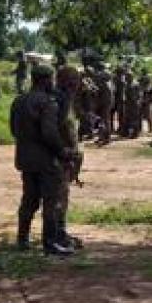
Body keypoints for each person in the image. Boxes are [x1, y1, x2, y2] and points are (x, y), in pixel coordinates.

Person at [9, 65, 74, 256]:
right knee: (51, 201)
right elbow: (50, 133)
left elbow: (14, 130)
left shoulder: (18, 101)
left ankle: (22, 239)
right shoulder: (48, 103)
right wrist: (62, 152)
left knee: (29, 199)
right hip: (46, 160)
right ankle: (50, 243)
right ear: (46, 80)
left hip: (24, 158)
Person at [54, 66, 84, 249]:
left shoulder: (67, 100)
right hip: (58, 157)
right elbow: (54, 131)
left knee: (62, 197)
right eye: (72, 80)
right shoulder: (59, 101)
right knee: (58, 198)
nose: (76, 84)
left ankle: (59, 233)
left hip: (66, 157)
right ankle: (57, 235)